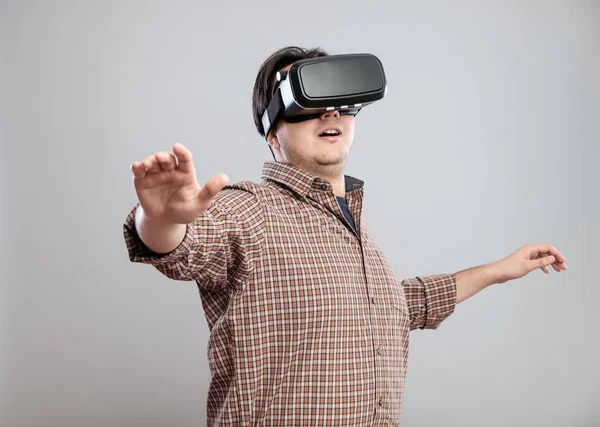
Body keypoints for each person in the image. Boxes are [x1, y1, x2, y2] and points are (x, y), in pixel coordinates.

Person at [123, 46, 567, 426]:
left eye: (341, 101)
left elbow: (394, 307)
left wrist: (499, 271)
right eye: (309, 102)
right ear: (272, 130)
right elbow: (182, 248)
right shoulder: (248, 209)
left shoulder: (354, 226)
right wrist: (160, 218)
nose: (330, 112)